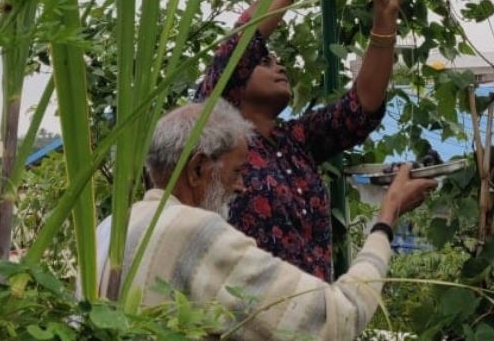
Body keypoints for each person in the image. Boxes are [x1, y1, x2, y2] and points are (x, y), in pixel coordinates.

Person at [95, 100, 436, 339]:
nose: (243, 185)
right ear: (199, 169)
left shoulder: (108, 230)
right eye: (238, 171)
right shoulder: (195, 233)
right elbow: (337, 319)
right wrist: (386, 219)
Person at [194, 0, 403, 279]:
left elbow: (361, 108)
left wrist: (384, 22)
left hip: (307, 316)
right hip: (244, 318)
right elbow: (239, 45)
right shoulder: (215, 131)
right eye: (265, 62)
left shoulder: (296, 141)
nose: (279, 66)